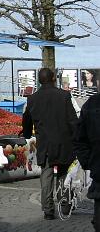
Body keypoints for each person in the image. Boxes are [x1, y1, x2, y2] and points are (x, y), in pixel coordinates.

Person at [22, 67, 78, 220]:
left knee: (46, 176)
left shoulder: (32, 99)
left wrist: (27, 134)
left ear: (40, 80)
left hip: (45, 144)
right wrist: (78, 138)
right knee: (63, 174)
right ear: (53, 78)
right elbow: (73, 121)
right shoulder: (64, 96)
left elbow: (27, 121)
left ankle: (48, 210)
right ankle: (64, 204)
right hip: (63, 143)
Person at [74, 91, 100, 232]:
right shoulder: (91, 104)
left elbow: (79, 139)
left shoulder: (91, 104)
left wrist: (90, 163)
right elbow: (80, 139)